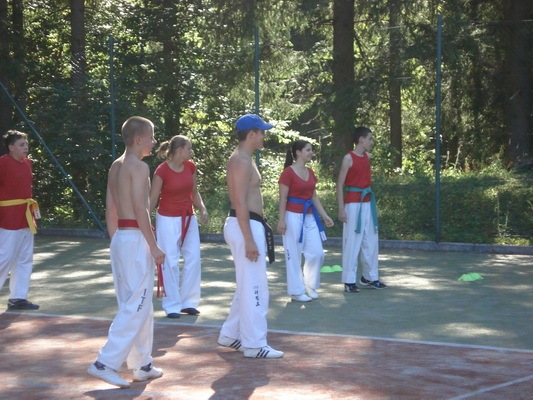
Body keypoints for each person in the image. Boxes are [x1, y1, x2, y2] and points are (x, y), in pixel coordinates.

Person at [87, 116, 165, 388]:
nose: (154, 141)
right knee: (137, 304)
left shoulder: (116, 165)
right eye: (151, 137)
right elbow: (141, 209)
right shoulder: (140, 167)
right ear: (139, 139)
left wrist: (117, 241)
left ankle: (142, 364)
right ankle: (105, 363)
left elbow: (110, 209)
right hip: (134, 239)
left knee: (137, 304)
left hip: (122, 238)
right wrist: (153, 245)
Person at [217, 113, 283, 359]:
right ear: (251, 134)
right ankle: (254, 344)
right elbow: (238, 201)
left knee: (248, 284)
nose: (264, 136)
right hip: (244, 225)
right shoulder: (240, 161)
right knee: (256, 287)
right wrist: (249, 239)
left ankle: (230, 334)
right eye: (262, 132)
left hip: (249, 225)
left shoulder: (246, 159)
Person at [150, 135, 208, 318]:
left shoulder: (190, 167)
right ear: (179, 150)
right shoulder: (162, 171)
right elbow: (153, 198)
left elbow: (194, 192)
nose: (191, 151)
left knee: (193, 258)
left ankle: (188, 302)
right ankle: (172, 305)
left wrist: (202, 208)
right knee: (170, 261)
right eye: (188, 148)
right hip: (167, 218)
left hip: (188, 218)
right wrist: (144, 220)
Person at [277, 140, 334, 302]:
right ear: (298, 152)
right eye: (308, 150)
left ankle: (310, 285)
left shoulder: (310, 172)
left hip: (310, 216)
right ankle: (296, 291)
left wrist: (324, 215)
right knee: (294, 254)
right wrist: (281, 220)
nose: (311, 153)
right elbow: (283, 198)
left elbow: (313, 196)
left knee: (317, 253)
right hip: (292, 216)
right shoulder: (288, 173)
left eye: (311, 150)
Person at [337, 126, 387, 293]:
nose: (372, 142)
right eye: (370, 139)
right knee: (352, 241)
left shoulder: (367, 157)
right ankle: (349, 280)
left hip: (367, 202)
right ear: (361, 140)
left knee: (370, 240)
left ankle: (369, 277)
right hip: (353, 204)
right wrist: (341, 209)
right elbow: (340, 184)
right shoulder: (348, 158)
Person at [0, 130, 40, 311]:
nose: (26, 147)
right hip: (8, 218)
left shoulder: (27, 163)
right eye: (22, 145)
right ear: (11, 147)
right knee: (4, 257)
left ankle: (18, 298)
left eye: (26, 144)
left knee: (24, 258)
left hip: (26, 216)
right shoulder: (2, 163)